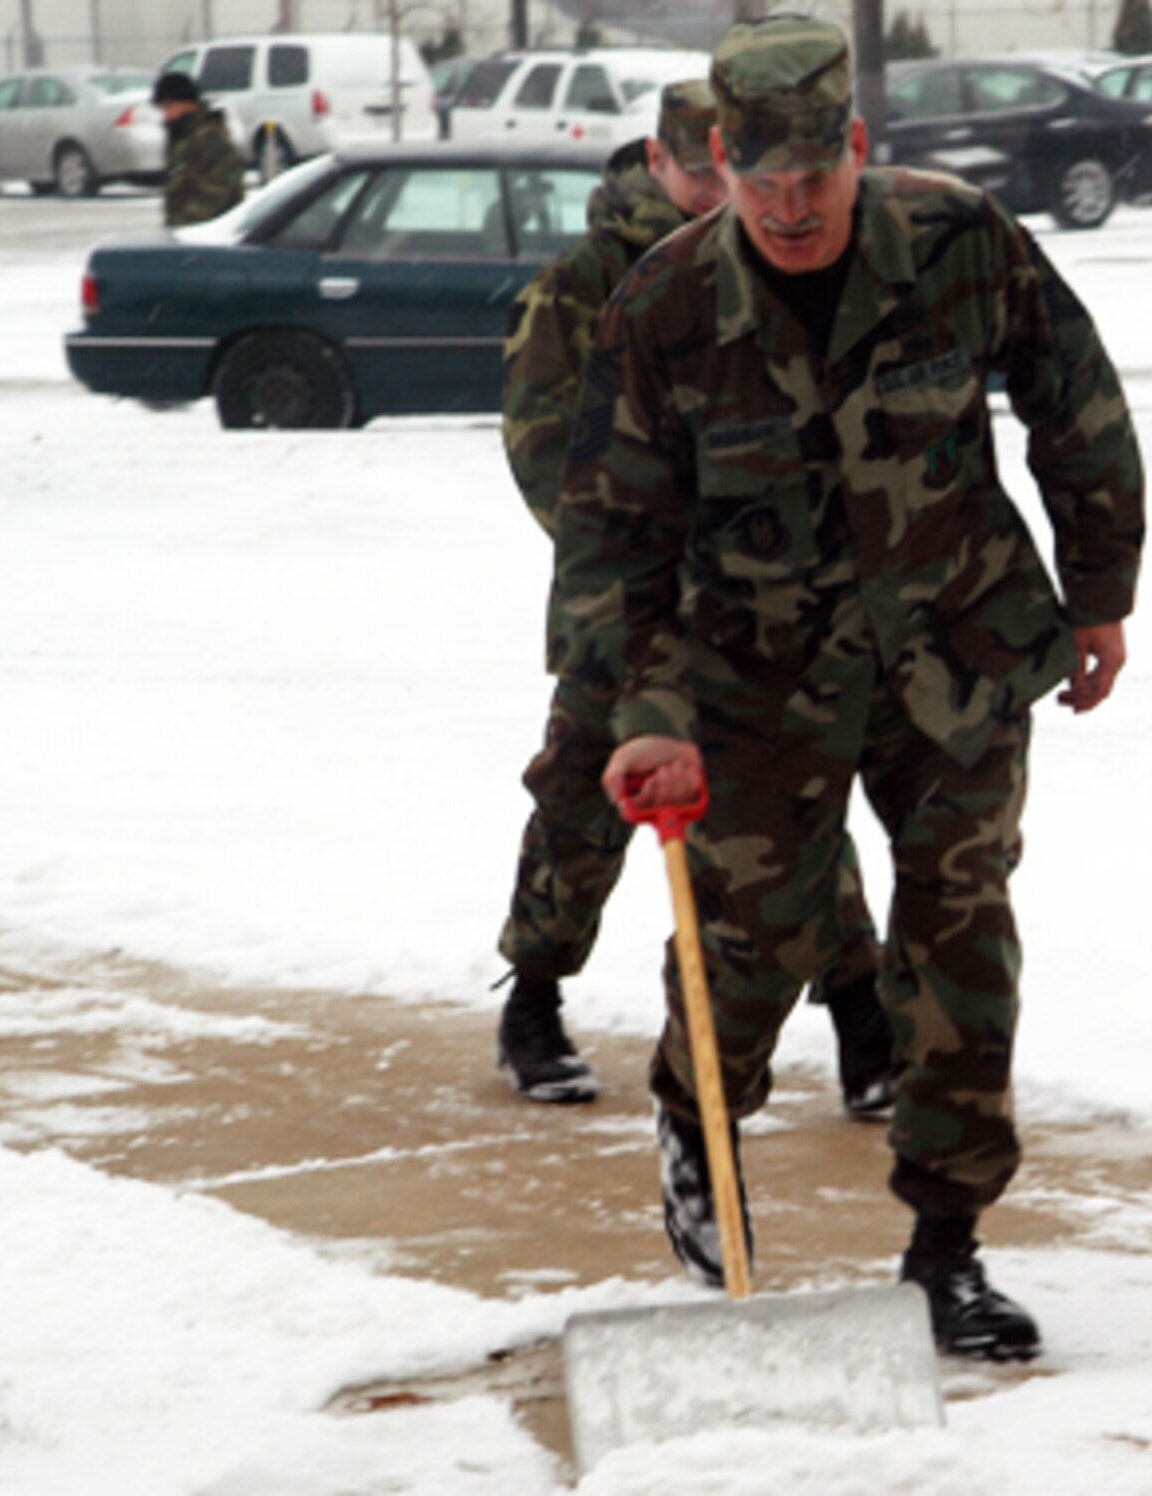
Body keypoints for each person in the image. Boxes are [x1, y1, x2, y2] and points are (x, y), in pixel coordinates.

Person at [558, 16, 1145, 1362]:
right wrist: (645, 711)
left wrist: (1100, 587)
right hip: (757, 679)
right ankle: (701, 1134)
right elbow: (613, 535)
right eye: (758, 183)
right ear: (720, 160)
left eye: (811, 180)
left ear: (857, 151)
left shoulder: (957, 240)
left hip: (956, 650)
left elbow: (1077, 398)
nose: (787, 209)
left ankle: (947, 1245)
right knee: (750, 945)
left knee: (959, 936)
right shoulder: (664, 304)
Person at [494, 79, 897, 1117]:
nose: (723, 191)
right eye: (700, 170)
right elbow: (548, 460)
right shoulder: (578, 290)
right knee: (584, 793)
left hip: (762, 607)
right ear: (659, 160)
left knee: (792, 811)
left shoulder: (766, 264)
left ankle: (862, 1014)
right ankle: (533, 998)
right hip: (626, 607)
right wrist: (648, 571)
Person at [152, 73, 244, 227]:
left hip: (210, 232)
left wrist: (185, 227)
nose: (166, 116)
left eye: (169, 107)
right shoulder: (182, 136)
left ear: (187, 103)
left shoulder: (209, 138)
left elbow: (214, 193)